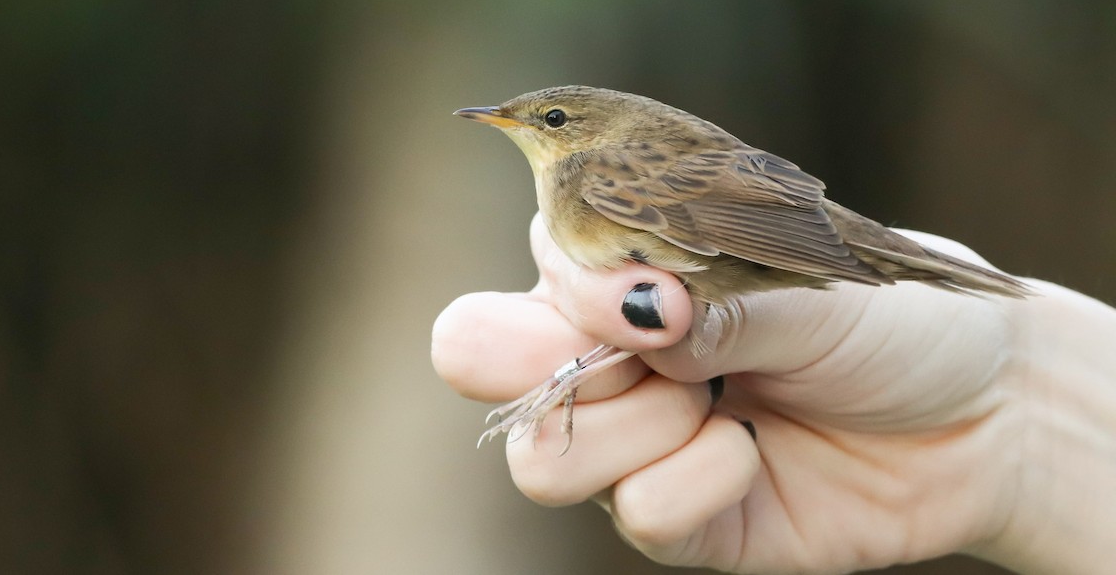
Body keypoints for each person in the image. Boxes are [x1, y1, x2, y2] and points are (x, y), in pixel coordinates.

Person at [431, 214, 1116, 574]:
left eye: (550, 119)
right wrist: (1016, 405)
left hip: (742, 271)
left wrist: (1017, 391)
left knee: (662, 323)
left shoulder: (594, 173)